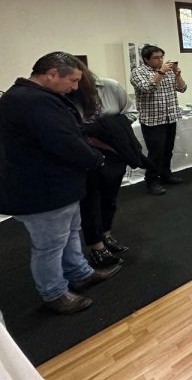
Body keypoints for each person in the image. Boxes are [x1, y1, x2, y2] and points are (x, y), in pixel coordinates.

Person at [0, 52, 120, 314]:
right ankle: (54, 292)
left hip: (58, 185)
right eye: (72, 80)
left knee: (70, 233)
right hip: (41, 188)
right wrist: (96, 159)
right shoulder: (32, 102)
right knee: (49, 245)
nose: (75, 87)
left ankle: (79, 272)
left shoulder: (30, 97)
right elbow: (65, 141)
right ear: (52, 74)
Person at [71, 67, 143, 269]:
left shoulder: (110, 86)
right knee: (90, 201)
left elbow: (131, 112)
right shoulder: (67, 95)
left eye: (78, 81)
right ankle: (96, 247)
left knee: (109, 197)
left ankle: (107, 234)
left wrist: (107, 129)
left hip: (115, 152)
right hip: (87, 154)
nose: (74, 86)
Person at [130, 45, 187, 195]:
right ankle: (152, 181)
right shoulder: (138, 72)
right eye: (156, 57)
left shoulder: (168, 71)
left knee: (168, 150)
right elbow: (147, 88)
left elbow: (182, 88)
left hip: (170, 116)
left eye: (161, 56)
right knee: (156, 153)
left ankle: (166, 175)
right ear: (146, 59)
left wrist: (177, 75)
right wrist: (161, 72)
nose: (160, 60)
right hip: (152, 120)